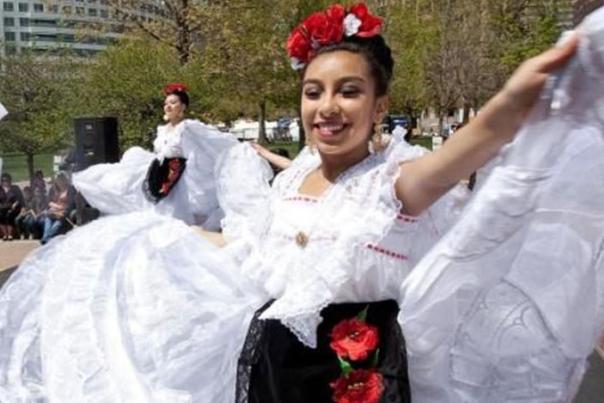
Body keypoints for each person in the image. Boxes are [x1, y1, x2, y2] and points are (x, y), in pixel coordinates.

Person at [0, 3, 599, 403]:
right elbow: (255, 253)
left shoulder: (392, 185)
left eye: (349, 91)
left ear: (378, 105)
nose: (327, 107)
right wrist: (156, 236)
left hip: (359, 383)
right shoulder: (290, 182)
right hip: (271, 373)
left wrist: (520, 95)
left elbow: (465, 151)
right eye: (314, 92)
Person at [73, 83, 270, 229]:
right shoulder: (162, 130)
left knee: (171, 221)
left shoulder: (189, 127)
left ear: (182, 107)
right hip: (158, 175)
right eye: (166, 103)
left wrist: (244, 149)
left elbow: (215, 140)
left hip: (178, 181)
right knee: (126, 165)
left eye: (173, 103)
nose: (167, 106)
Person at [39, 172, 76, 244]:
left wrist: (58, 207)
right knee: (48, 218)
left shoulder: (71, 189)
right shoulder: (53, 190)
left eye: (61, 179)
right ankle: (46, 238)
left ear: (65, 180)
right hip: (53, 212)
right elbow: (48, 202)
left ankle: (46, 239)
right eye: (58, 180)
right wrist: (57, 207)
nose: (59, 182)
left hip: (62, 214)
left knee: (57, 223)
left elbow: (70, 204)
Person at [0, 173, 24, 241]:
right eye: (3, 181)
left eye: (7, 180)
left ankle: (10, 234)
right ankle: (5, 234)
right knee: (1, 216)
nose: (5, 182)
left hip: (14, 207)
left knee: (9, 215)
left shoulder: (15, 188)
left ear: (10, 181)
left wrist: (15, 204)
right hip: (2, 207)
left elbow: (19, 199)